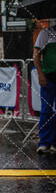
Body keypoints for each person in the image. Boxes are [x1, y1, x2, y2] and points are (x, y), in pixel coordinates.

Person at [33, 20, 56, 153]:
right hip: (49, 79)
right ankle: (44, 142)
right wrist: (41, 75)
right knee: (46, 110)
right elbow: (36, 55)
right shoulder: (45, 34)